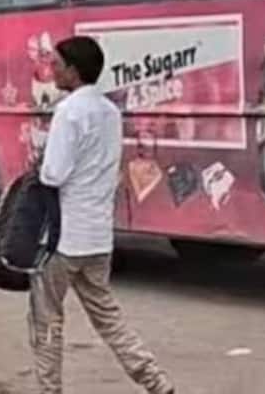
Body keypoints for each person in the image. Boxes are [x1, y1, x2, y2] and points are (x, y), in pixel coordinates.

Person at [29, 36, 175, 394]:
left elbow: (53, 174)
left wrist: (40, 164)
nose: (52, 70)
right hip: (97, 236)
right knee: (108, 317)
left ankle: (49, 389)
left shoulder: (68, 112)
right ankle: (156, 382)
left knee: (46, 319)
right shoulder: (111, 111)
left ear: (74, 71)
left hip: (62, 238)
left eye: (57, 64)